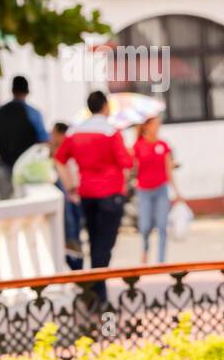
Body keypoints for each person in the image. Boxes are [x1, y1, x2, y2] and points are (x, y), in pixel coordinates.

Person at [52, 91, 131, 300]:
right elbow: (126, 162)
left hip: (87, 194)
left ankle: (96, 289)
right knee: (104, 245)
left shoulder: (75, 132)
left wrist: (70, 186)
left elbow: (59, 160)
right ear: (105, 107)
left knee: (95, 241)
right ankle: (98, 291)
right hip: (110, 193)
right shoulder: (111, 132)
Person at [132, 115, 182, 264]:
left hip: (161, 190)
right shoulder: (138, 146)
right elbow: (133, 167)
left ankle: (161, 261)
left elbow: (168, 170)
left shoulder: (163, 145)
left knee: (162, 226)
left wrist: (177, 192)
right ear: (147, 126)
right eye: (155, 124)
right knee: (145, 226)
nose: (158, 127)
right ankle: (145, 249)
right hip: (144, 191)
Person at [0, 75, 48, 170]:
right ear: (27, 92)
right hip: (28, 167)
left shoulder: (0, 112)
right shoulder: (34, 113)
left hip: (5, 165)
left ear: (12, 91)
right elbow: (43, 140)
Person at [49, 122, 83, 270]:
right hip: (68, 200)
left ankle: (77, 269)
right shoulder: (53, 153)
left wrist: (72, 189)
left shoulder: (64, 153)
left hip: (72, 199)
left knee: (72, 236)